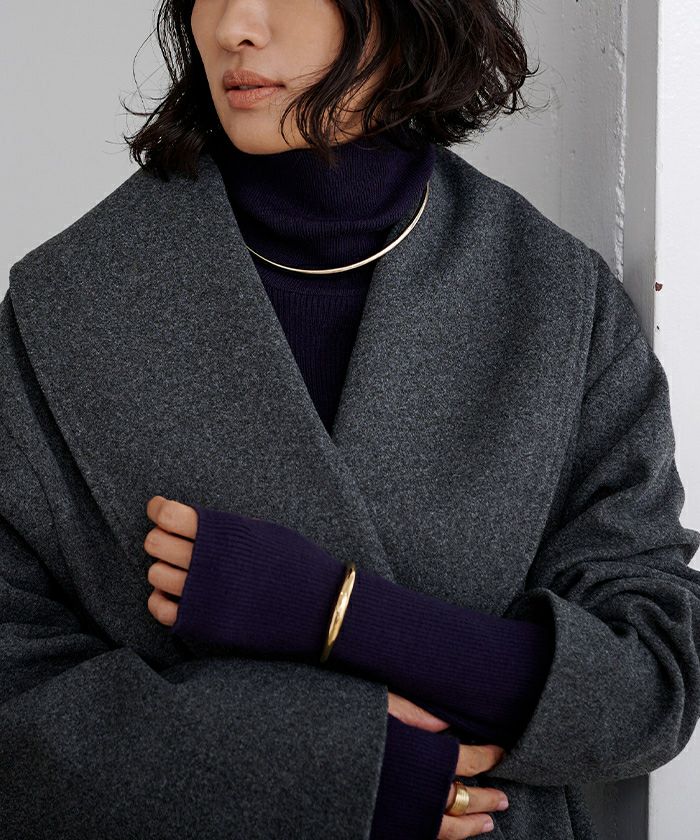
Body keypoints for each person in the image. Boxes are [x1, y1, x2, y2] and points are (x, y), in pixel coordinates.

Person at [2, 1, 699, 839]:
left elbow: (650, 683)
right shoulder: (64, 306)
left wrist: (336, 611)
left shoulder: (556, 300)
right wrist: (324, 776)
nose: (233, 27)